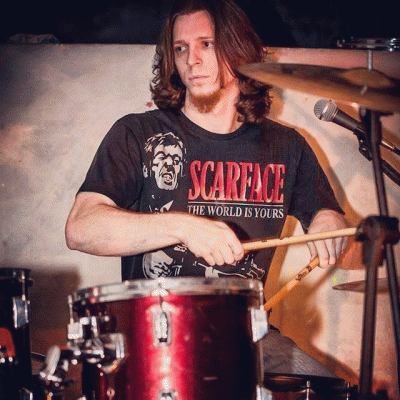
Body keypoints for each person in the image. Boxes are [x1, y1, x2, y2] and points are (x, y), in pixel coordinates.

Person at [65, 0, 348, 380]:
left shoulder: (287, 146)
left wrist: (329, 222)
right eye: (180, 48)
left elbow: (327, 216)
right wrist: (184, 226)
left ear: (240, 50)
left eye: (206, 44)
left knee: (331, 389)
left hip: (248, 337)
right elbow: (81, 228)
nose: (191, 60)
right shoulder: (138, 133)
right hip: (158, 338)